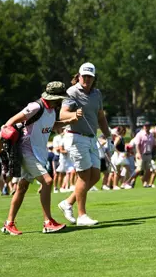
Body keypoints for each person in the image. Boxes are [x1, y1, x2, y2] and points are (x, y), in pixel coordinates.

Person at [0, 81, 72, 235]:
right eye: (59, 98)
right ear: (53, 97)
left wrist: (69, 121)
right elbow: (11, 121)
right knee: (48, 181)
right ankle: (48, 222)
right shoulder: (35, 106)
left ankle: (8, 223)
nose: (61, 101)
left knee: (22, 187)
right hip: (26, 150)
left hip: (38, 152)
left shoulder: (51, 110)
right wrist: (1, 139)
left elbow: (50, 126)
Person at [58, 62, 113, 227]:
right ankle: (82, 215)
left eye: (90, 77)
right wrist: (74, 113)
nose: (87, 79)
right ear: (79, 75)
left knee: (95, 175)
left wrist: (108, 135)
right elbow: (62, 114)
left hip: (91, 138)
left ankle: (67, 202)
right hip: (76, 137)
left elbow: (101, 117)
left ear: (94, 78)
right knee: (84, 175)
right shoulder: (72, 92)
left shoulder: (97, 94)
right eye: (84, 76)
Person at [133, 122, 156, 188]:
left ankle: (145, 182)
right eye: (145, 126)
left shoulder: (151, 135)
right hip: (141, 154)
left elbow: (154, 144)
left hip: (148, 154)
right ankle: (129, 181)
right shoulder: (140, 134)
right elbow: (137, 145)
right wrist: (138, 153)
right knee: (139, 169)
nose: (146, 127)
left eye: (148, 126)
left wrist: (154, 154)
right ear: (143, 127)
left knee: (149, 170)